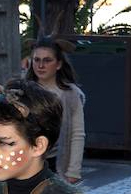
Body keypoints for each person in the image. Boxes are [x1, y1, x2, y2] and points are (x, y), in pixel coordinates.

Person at [28, 38, 87, 184]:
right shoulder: (21, 91)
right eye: (37, 60)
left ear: (59, 64)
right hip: (23, 163)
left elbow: (77, 133)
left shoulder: (71, 94)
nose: (41, 65)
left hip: (54, 163)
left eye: (47, 60)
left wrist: (73, 170)